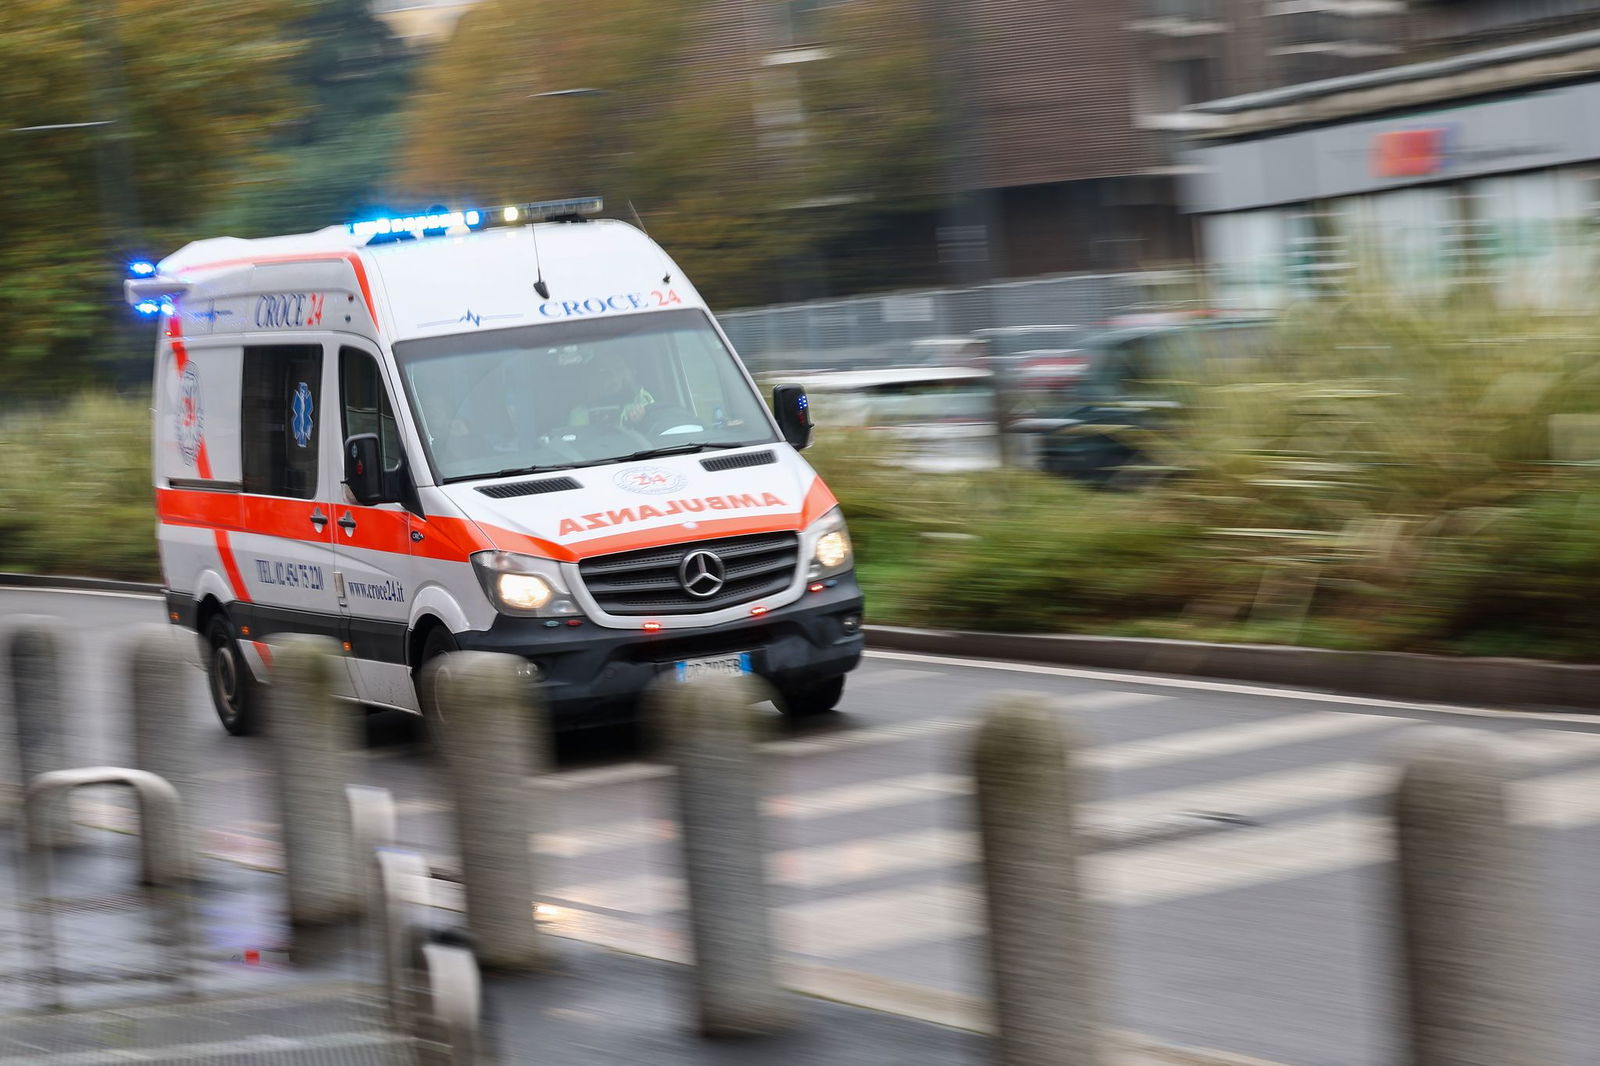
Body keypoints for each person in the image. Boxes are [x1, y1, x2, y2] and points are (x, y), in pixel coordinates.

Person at [570, 352, 654, 428]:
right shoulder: (580, 413)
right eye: (605, 372)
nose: (613, 376)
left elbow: (655, 426)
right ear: (594, 378)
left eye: (618, 369)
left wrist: (642, 420)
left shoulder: (640, 399)